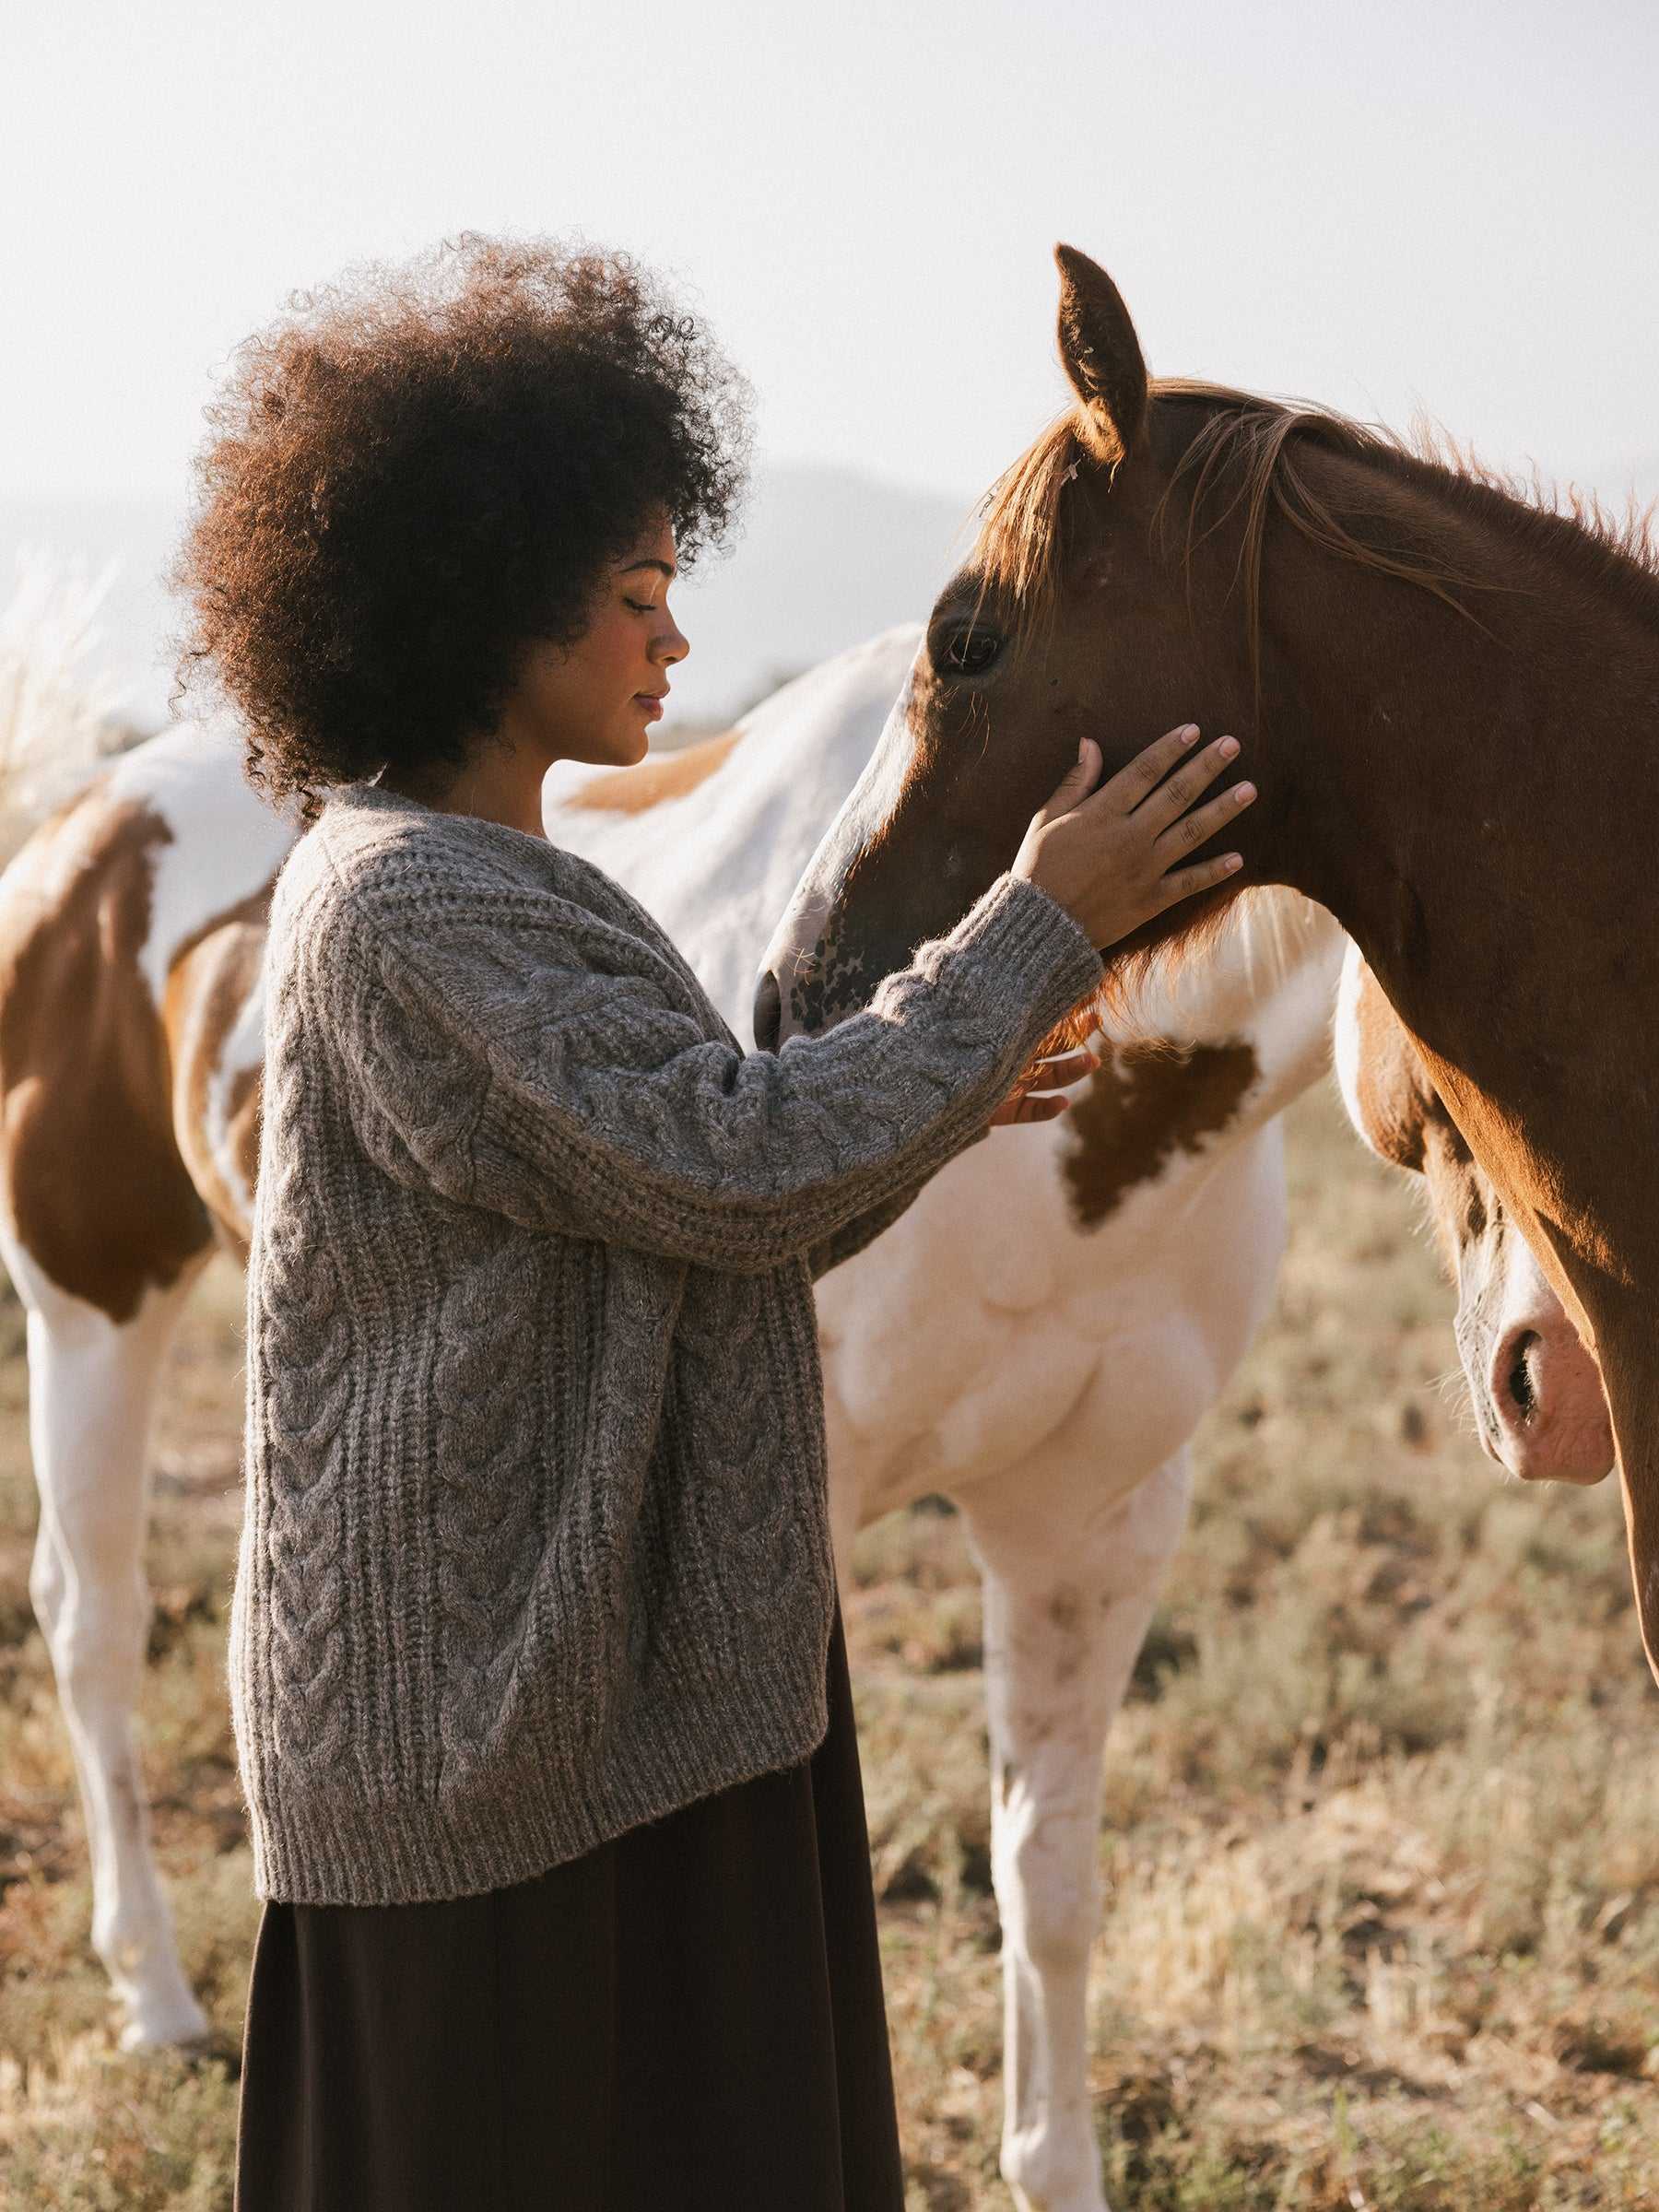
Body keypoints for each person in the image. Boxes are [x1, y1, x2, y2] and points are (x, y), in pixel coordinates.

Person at [173, 234, 1254, 2211]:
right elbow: (732, 1170)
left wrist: (936, 1080)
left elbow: (690, 1174)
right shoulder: (416, 902)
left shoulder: (478, 871)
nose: (676, 644)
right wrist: (1033, 933)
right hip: (494, 1735)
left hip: (575, 1708)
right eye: (638, 595)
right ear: (491, 608)